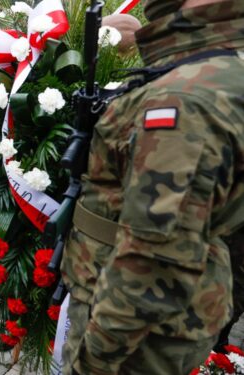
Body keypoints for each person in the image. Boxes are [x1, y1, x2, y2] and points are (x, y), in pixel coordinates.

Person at [60, 0, 244, 374]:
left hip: (134, 342)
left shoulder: (186, 98)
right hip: (150, 322)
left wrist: (91, 362)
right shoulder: (205, 69)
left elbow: (154, 261)